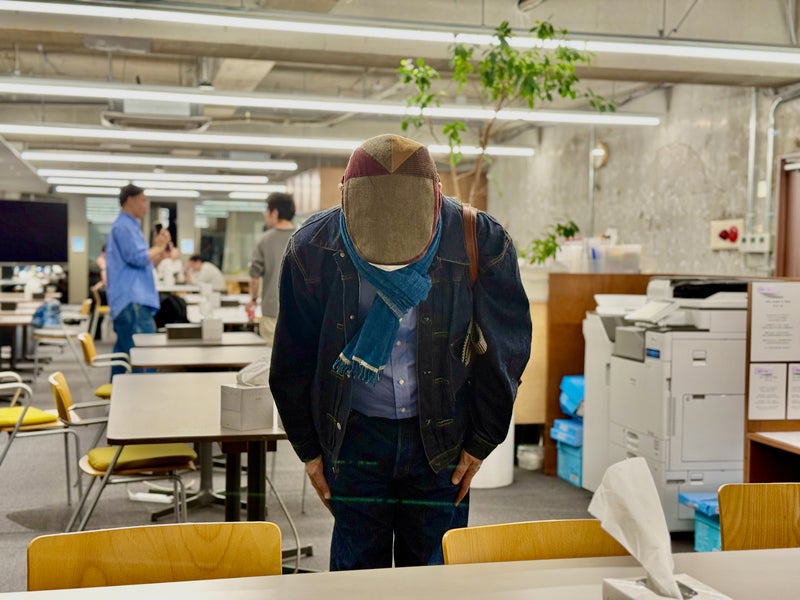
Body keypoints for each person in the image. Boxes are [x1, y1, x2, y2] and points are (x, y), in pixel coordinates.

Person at [269, 134, 531, 570]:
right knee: (356, 580)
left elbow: (505, 351)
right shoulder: (312, 249)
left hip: (442, 437)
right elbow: (292, 359)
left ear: (436, 199)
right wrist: (309, 450)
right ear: (345, 200)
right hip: (353, 434)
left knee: (432, 577)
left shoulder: (480, 241)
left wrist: (482, 441)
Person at [106, 184, 171, 376]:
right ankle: (143, 396)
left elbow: (143, 263)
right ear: (129, 200)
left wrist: (160, 251)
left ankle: (115, 393)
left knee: (123, 355)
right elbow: (138, 258)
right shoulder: (124, 227)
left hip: (129, 300)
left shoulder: (131, 227)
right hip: (132, 301)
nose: (145, 205)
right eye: (143, 200)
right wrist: (158, 247)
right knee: (145, 356)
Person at [247, 192, 296, 345]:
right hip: (300, 312)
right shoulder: (304, 236)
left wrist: (253, 299)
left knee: (269, 354)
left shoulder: (264, 240)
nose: (265, 214)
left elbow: (254, 277)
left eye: (266, 210)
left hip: (271, 311)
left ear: (274, 213)